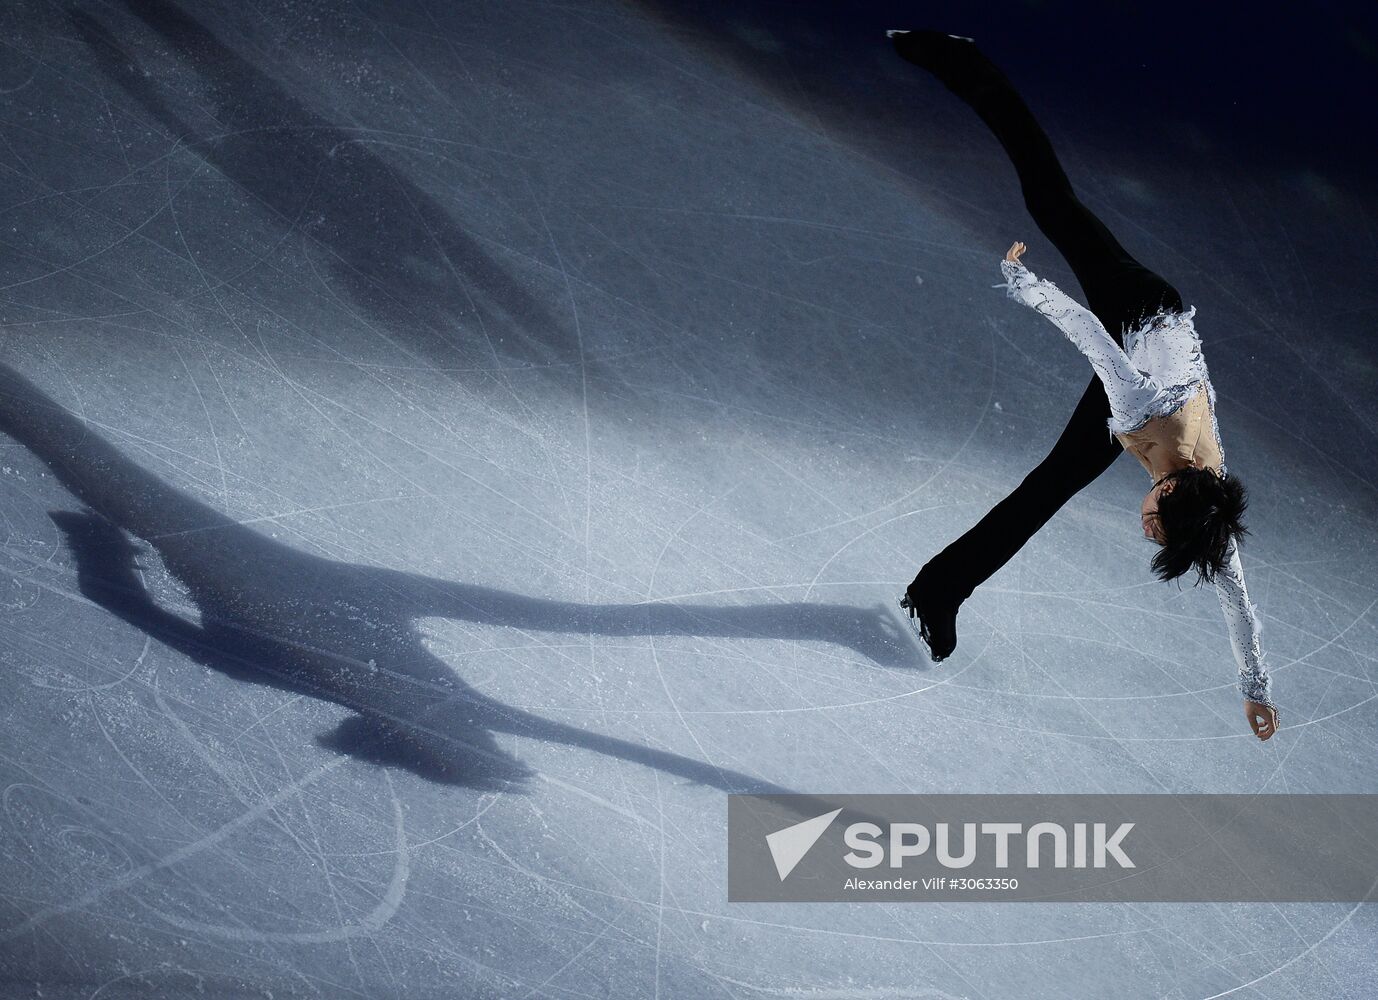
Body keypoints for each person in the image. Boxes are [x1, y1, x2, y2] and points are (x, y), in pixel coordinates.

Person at [888, 29, 1280, 741]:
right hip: (1134, 305)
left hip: (1146, 362)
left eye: (1154, 531)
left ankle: (937, 590)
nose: (1145, 525)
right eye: (1156, 519)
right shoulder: (1139, 407)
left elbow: (1240, 608)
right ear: (1169, 488)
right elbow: (1091, 336)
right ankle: (959, 55)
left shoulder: (1208, 515)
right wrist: (1028, 285)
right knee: (1050, 200)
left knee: (1047, 488)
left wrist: (1254, 691)